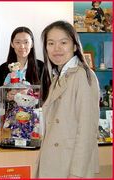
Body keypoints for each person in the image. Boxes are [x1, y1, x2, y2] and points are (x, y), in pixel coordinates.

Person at [35, 20, 100, 178]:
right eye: (51, 43)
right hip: (57, 162)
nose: (56, 49)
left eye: (63, 42)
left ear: (75, 46)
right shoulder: (60, 74)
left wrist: (76, 174)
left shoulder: (83, 76)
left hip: (69, 167)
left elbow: (87, 130)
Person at [0, 26, 43, 127]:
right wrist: (7, 96)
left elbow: (47, 96)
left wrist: (29, 94)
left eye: (26, 42)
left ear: (32, 44)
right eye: (17, 42)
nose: (22, 46)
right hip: (8, 121)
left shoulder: (41, 67)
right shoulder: (3, 69)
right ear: (12, 44)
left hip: (32, 121)